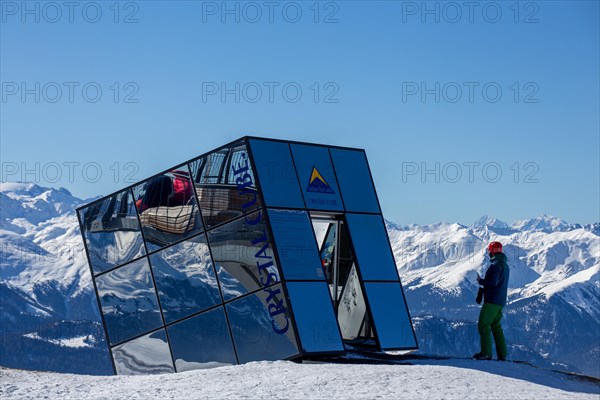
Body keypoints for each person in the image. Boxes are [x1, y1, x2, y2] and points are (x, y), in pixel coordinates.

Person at [473, 241, 510, 361]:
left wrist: (481, 281)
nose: (489, 253)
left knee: (483, 324)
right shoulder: (505, 265)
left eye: (489, 251)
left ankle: (486, 353)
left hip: (492, 301)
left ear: (492, 251)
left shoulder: (495, 265)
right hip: (500, 301)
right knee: (496, 326)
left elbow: (493, 282)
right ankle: (502, 354)